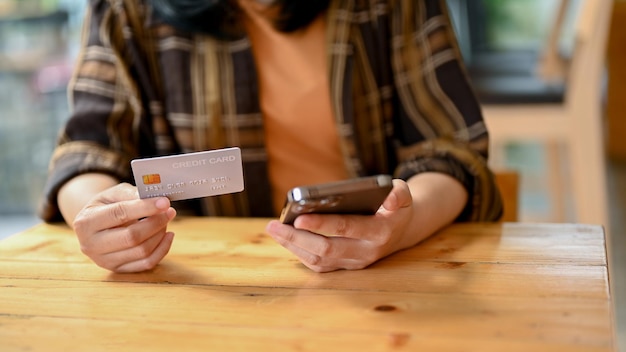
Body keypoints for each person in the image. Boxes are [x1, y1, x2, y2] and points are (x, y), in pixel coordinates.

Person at [39, 0, 503, 273]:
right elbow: (87, 152)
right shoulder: (128, 10)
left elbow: (452, 152)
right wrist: (101, 218)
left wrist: (402, 225)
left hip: (380, 281)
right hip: (205, 288)